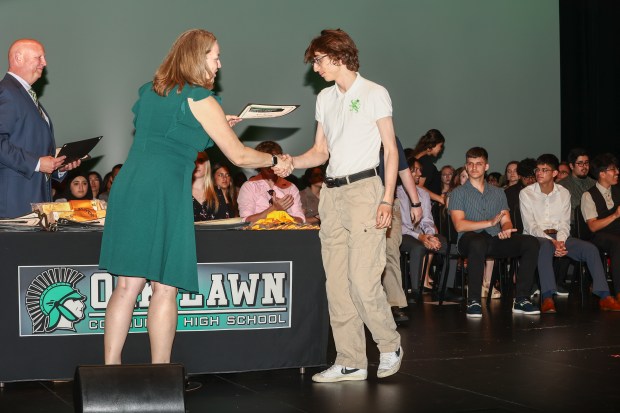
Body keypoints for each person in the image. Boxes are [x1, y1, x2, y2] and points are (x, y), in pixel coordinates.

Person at [99, 29, 291, 365]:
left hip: (130, 187)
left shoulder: (151, 91)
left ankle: (108, 374)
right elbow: (240, 157)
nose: (219, 63)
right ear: (197, 57)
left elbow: (170, 134)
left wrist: (216, 124)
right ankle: (161, 377)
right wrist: (277, 161)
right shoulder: (201, 98)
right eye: (215, 56)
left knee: (127, 286)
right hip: (163, 192)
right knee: (165, 286)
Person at [282, 29, 402, 382]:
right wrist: (291, 161)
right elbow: (321, 152)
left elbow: (391, 151)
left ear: (337, 56)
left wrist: (387, 198)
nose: (315, 68)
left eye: (318, 60)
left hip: (366, 190)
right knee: (336, 283)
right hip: (331, 196)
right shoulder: (325, 98)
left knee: (363, 281)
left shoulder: (374, 93)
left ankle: (389, 343)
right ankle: (350, 359)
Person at [519, 154, 620, 313]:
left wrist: (559, 241)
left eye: (544, 170)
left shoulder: (563, 193)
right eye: (537, 170)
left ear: (554, 173)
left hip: (560, 236)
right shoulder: (526, 193)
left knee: (590, 249)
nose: (539, 173)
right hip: (536, 237)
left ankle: (604, 295)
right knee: (545, 246)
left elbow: (564, 223)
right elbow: (530, 225)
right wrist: (552, 241)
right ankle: (547, 297)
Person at [448, 147, 540, 317]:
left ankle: (521, 299)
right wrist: (489, 222)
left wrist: (506, 230)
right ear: (466, 167)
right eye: (470, 164)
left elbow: (506, 220)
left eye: (479, 164)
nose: (474, 167)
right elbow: (459, 225)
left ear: (486, 166)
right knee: (477, 242)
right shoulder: (458, 193)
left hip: (494, 238)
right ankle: (474, 300)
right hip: (468, 240)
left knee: (530, 242)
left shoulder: (498, 193)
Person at [0, 38, 80, 218]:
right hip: (14, 202)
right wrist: (36, 163)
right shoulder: (6, 91)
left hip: (35, 200)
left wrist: (58, 166)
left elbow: (34, 150)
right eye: (39, 57)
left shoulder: (25, 96)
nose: (45, 63)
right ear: (18, 58)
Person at [399, 158, 448, 301]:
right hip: (404, 233)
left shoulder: (423, 194)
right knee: (417, 247)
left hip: (422, 234)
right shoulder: (396, 192)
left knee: (446, 245)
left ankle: (444, 288)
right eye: (416, 170)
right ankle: (415, 290)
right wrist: (420, 237)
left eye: (420, 170)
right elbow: (400, 225)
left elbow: (427, 220)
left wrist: (430, 235)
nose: (420, 173)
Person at [581, 153, 620, 302]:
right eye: (612, 169)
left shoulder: (618, 190)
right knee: (617, 242)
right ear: (602, 174)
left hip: (617, 233)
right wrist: (615, 216)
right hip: (599, 236)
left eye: (616, 168)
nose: (617, 172)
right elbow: (593, 226)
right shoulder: (588, 195)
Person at [237, 141, 305, 223]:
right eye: (267, 162)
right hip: (258, 234)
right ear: (259, 162)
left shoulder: (290, 187)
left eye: (274, 161)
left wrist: (281, 214)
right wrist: (273, 209)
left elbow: (300, 220)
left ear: (281, 160)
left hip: (286, 233)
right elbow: (246, 221)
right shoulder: (249, 186)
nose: (270, 166)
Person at [557, 148, 596, 227]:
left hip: (595, 225)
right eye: (580, 163)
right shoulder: (562, 186)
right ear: (571, 166)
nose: (584, 167)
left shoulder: (595, 184)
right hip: (572, 228)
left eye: (586, 163)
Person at [411, 129, 446, 205]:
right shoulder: (426, 162)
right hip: (426, 205)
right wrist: (440, 199)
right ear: (433, 145)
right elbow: (419, 187)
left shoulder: (416, 157)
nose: (440, 149)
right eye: (440, 146)